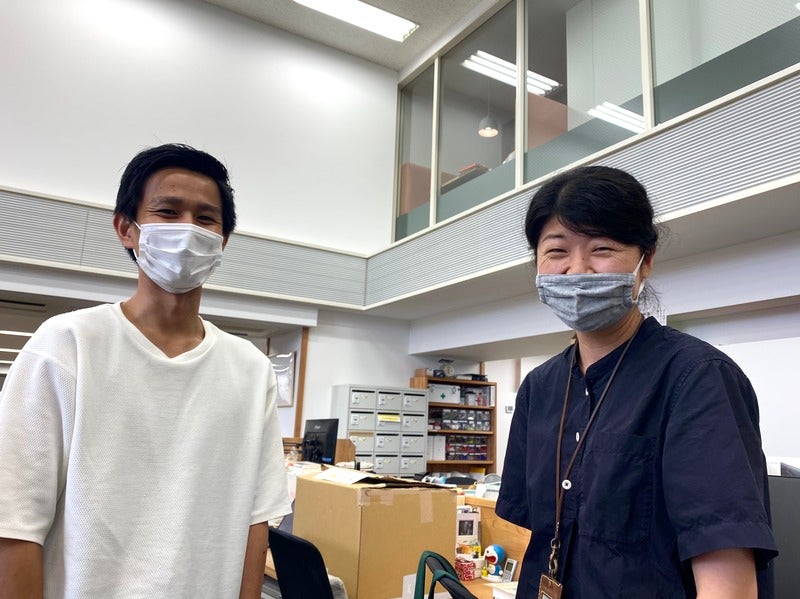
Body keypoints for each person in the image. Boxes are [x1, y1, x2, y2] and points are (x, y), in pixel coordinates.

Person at [0, 143, 291, 598]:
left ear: (223, 241)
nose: (187, 229)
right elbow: (14, 523)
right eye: (167, 212)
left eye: (205, 218)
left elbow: (256, 523)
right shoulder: (67, 345)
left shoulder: (251, 370)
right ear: (126, 229)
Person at [496, 166, 777, 598]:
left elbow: (728, 583)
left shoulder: (696, 378)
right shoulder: (539, 388)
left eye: (602, 249)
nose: (577, 270)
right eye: (557, 251)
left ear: (646, 261)